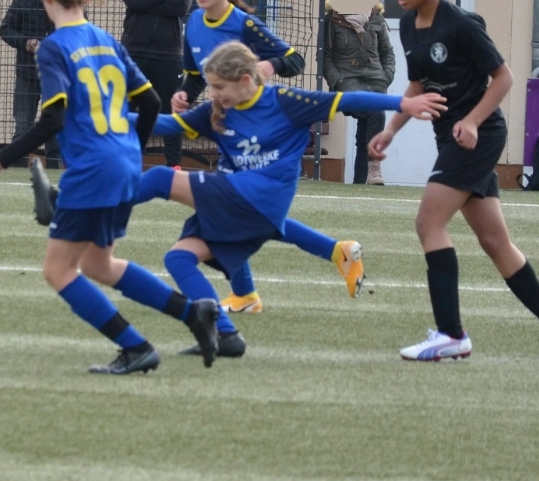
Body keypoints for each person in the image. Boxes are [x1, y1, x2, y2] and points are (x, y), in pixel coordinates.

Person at [0, 0, 223, 376]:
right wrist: (132, 148)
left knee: (58, 270)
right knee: (99, 264)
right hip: (125, 164)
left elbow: (53, 119)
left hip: (94, 169)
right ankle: (193, 312)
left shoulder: (54, 47)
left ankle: (136, 346)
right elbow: (151, 102)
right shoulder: (106, 41)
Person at [144, 41, 437, 358]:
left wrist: (403, 104)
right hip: (243, 200)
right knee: (178, 258)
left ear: (245, 80)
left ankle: (104, 207)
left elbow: (349, 99)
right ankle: (226, 333)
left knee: (160, 179)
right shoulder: (218, 110)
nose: (212, 93)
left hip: (262, 198)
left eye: (218, 86)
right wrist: (113, 117)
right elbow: (165, 124)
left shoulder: (287, 102)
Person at [370, 0, 539, 363]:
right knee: (495, 242)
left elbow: (504, 77)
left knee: (428, 222)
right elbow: (418, 84)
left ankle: (451, 334)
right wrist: (392, 128)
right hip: (452, 138)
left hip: (478, 137)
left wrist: (471, 121)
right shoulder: (408, 25)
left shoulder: (462, 25)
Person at [172, 0, 365, 311]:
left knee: (234, 214)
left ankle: (248, 293)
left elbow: (295, 60)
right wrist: (185, 93)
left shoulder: (244, 24)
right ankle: (330, 255)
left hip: (254, 127)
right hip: (225, 122)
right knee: (244, 216)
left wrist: (270, 65)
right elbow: (196, 75)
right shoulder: (193, 23)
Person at [120, 0, 193, 166]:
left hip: (169, 54)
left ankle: (174, 165)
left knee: (170, 111)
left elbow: (181, 7)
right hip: (134, 52)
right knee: (127, 109)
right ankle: (125, 163)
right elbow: (131, 0)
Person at [321, 0, 396, 184]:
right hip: (348, 81)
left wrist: (387, 76)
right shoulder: (331, 19)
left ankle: (360, 184)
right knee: (376, 114)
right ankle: (374, 167)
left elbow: (387, 52)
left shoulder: (376, 17)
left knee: (364, 134)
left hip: (376, 81)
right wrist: (338, 81)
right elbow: (325, 57)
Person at [0, 0, 60, 168]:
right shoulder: (23, 0)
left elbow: (80, 31)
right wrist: (25, 42)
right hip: (27, 73)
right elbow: (6, 29)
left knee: (56, 128)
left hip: (57, 76)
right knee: (23, 127)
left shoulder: (67, 1)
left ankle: (54, 173)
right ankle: (17, 171)